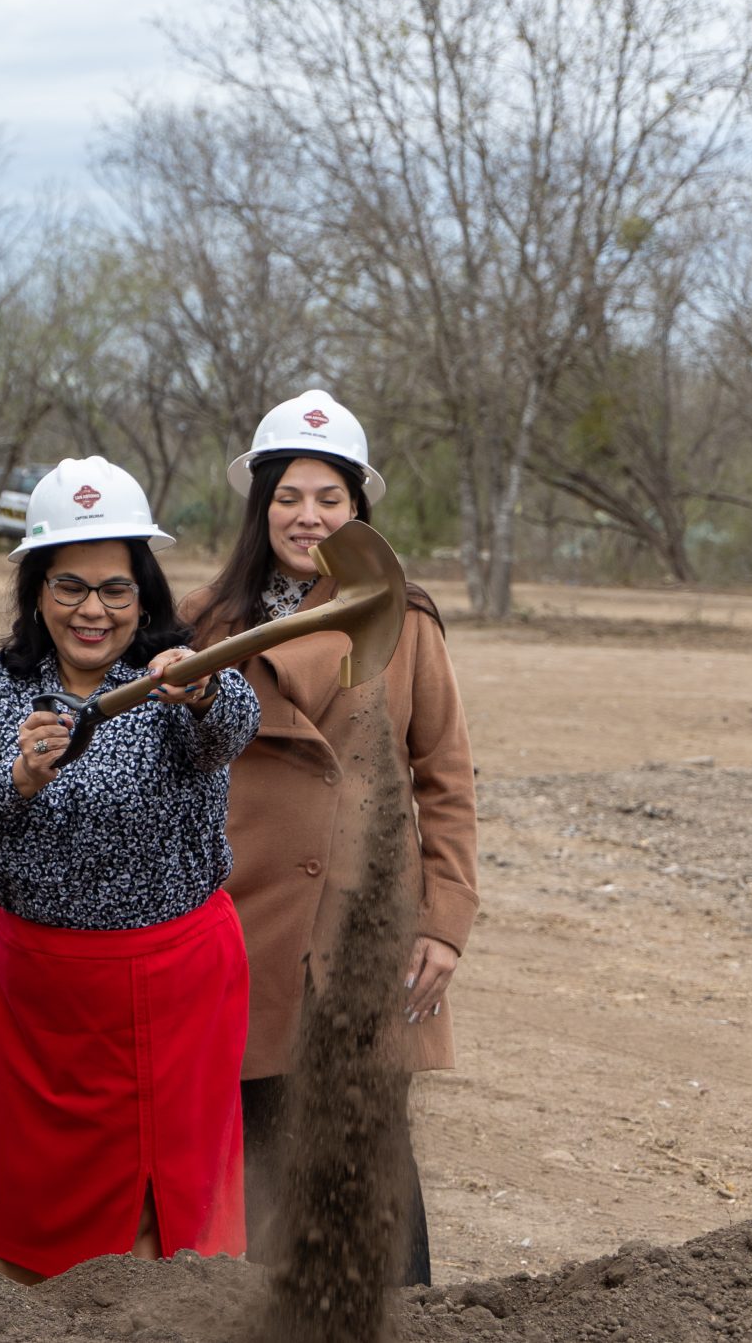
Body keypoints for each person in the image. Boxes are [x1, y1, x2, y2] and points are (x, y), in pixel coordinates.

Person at [0, 456, 259, 1284]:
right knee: (40, 1192)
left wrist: (203, 691)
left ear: (143, 594)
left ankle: (161, 1324)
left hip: (171, 979)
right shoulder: (6, 683)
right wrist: (17, 777)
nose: (92, 609)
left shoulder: (173, 674)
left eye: (115, 589)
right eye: (70, 586)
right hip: (40, 987)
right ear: (37, 589)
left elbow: (233, 727)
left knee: (163, 1198)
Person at [188, 389, 474, 1283]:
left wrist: (443, 923)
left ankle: (401, 1320)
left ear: (358, 512)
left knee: (369, 1146)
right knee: (255, 1146)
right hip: (242, 919)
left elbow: (446, 778)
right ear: (260, 505)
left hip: (363, 923)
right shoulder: (205, 626)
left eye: (328, 498)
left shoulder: (406, 618)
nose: (306, 516)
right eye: (288, 496)